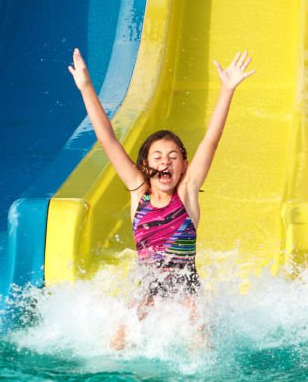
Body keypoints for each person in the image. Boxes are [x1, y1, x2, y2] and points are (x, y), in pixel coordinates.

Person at [68, 47, 254, 346]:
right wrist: (86, 87)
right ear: (145, 166)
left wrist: (227, 90)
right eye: (157, 157)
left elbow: (211, 140)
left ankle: (201, 369)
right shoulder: (138, 192)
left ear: (184, 166)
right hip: (148, 287)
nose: (165, 162)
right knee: (119, 335)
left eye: (173, 157)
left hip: (186, 289)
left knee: (197, 330)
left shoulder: (187, 193)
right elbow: (107, 139)